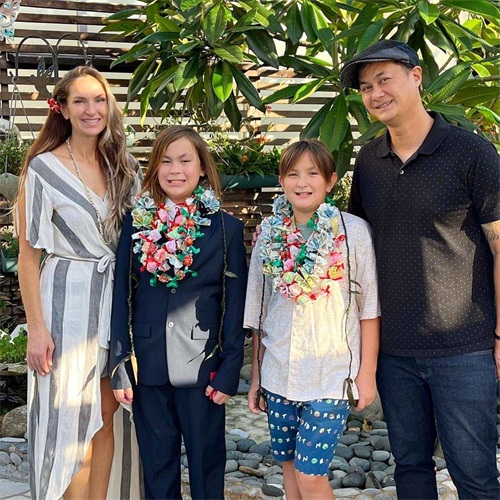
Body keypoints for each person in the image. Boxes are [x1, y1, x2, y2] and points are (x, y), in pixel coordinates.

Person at [340, 39, 500, 499]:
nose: (375, 93)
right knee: (409, 468)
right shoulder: (369, 161)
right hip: (394, 350)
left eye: (384, 79)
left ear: (416, 77)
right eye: (366, 87)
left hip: (464, 349)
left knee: (475, 476)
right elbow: (358, 248)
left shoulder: (472, 152)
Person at [16, 66, 142, 500]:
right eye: (81, 101)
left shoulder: (125, 167)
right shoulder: (43, 169)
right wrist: (36, 329)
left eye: (100, 100)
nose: (92, 110)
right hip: (65, 308)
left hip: (115, 306)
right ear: (64, 110)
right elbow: (28, 257)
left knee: (106, 419)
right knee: (70, 426)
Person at [109, 125, 248, 500]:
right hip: (148, 365)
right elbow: (122, 294)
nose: (175, 170)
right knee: (157, 469)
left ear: (202, 167)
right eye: (166, 161)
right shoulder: (136, 223)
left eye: (185, 160)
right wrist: (120, 362)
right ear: (155, 168)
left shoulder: (226, 229)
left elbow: (234, 305)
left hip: (203, 367)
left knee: (207, 465)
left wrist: (230, 369)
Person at [244, 139, 380, 499]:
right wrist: (257, 377)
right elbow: (259, 312)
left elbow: (369, 308)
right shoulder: (269, 234)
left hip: (330, 375)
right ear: (281, 181)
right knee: (289, 467)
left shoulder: (353, 232)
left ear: (331, 181)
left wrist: (367, 374)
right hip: (278, 372)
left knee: (310, 475)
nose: (302, 182)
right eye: (293, 174)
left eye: (312, 174)